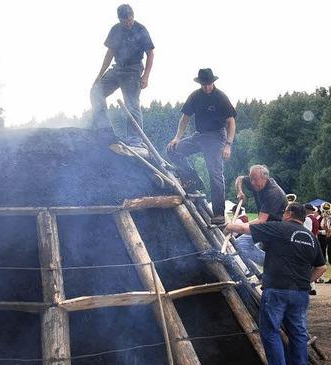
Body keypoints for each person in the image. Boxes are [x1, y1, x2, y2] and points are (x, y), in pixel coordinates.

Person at [225, 203, 326, 365]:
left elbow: (245, 229)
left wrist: (227, 226)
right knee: (298, 333)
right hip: (300, 293)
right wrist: (305, 281)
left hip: (277, 290)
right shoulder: (311, 238)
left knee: (270, 330)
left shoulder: (279, 228)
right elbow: (321, 267)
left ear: (288, 213)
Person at [167, 68, 237, 225]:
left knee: (215, 174)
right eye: (204, 84)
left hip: (217, 137)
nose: (207, 87)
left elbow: (231, 122)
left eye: (209, 84)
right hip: (199, 135)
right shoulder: (195, 96)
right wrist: (177, 138)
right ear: (200, 83)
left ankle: (219, 214)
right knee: (172, 150)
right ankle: (192, 177)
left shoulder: (220, 97)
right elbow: (184, 118)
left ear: (213, 82)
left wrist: (228, 145)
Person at [90, 4, 154, 146]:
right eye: (124, 20)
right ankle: (103, 128)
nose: (127, 22)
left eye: (129, 19)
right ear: (119, 19)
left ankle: (134, 139)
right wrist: (100, 74)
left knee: (131, 104)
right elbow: (110, 53)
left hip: (133, 70)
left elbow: (150, 53)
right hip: (118, 68)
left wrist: (146, 76)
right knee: (96, 91)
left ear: (132, 15)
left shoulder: (141, 30)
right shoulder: (115, 30)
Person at [230, 165, 287, 263]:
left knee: (242, 243)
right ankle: (269, 266)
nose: (252, 183)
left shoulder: (273, 193)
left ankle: (273, 264)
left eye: (255, 180)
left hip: (276, 229)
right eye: (251, 179)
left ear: (265, 178)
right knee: (241, 244)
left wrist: (234, 227)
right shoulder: (256, 181)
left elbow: (261, 221)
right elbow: (240, 179)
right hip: (265, 225)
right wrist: (240, 191)